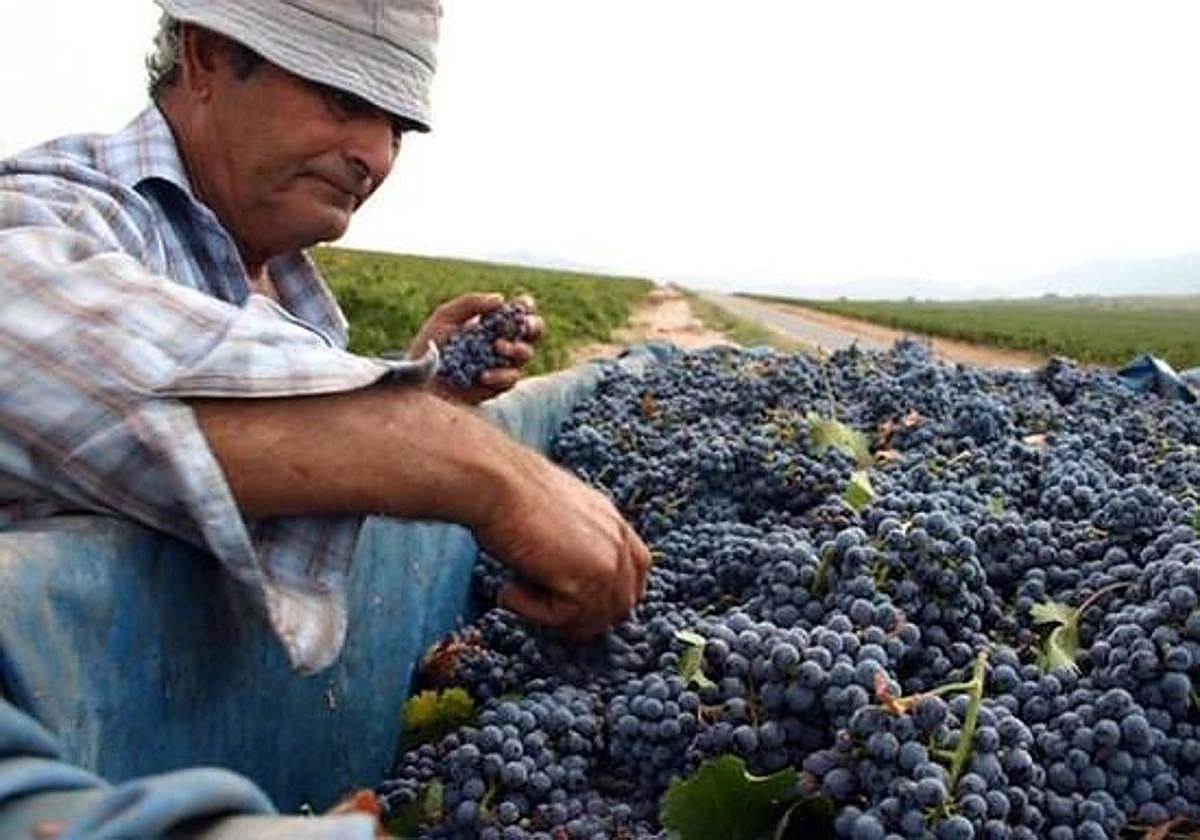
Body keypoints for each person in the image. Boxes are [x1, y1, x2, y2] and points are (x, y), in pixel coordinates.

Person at [0, 0, 650, 676]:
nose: (375, 154)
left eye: (397, 127)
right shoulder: (56, 209)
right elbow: (27, 337)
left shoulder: (294, 298)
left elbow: (251, 428)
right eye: (344, 99)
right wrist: (496, 480)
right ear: (206, 57)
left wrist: (422, 393)